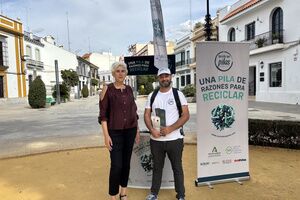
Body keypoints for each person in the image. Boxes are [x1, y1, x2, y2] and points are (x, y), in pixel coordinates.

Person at [144, 68, 190, 200]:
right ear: (158, 78)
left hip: (175, 139)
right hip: (156, 140)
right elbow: (147, 115)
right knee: (157, 168)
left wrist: (170, 129)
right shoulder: (152, 95)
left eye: (166, 76)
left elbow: (185, 115)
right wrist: (152, 130)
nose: (164, 79)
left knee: (177, 168)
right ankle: (154, 194)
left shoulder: (178, 94)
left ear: (171, 77)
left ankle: (181, 195)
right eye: (161, 76)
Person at [99, 61, 140, 200]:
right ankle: (113, 196)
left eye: (123, 71)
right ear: (113, 73)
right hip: (114, 133)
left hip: (130, 131)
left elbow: (134, 111)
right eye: (118, 71)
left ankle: (123, 192)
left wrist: (137, 130)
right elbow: (103, 115)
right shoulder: (107, 89)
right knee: (116, 165)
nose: (120, 73)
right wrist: (106, 136)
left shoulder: (129, 89)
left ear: (126, 73)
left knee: (126, 164)